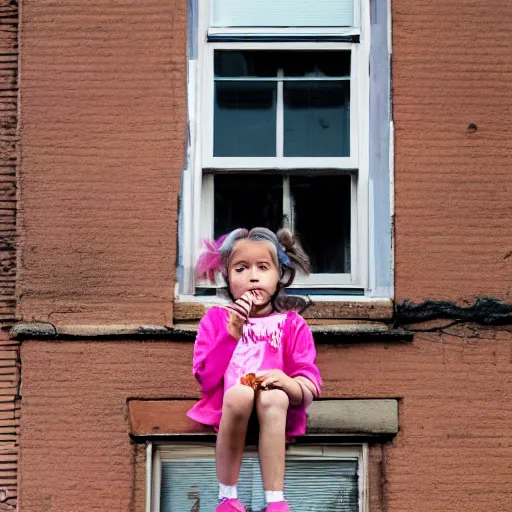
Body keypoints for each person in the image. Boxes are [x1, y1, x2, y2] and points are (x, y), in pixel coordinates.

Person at [187, 227, 322, 512]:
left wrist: (287, 382)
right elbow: (205, 378)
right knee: (239, 395)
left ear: (279, 276)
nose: (253, 276)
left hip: (274, 408)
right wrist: (231, 333)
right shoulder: (216, 319)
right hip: (232, 406)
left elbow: (310, 386)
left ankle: (275, 501)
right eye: (241, 268)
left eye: (263, 267)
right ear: (227, 277)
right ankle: (227, 498)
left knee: (274, 397)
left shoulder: (292, 324)